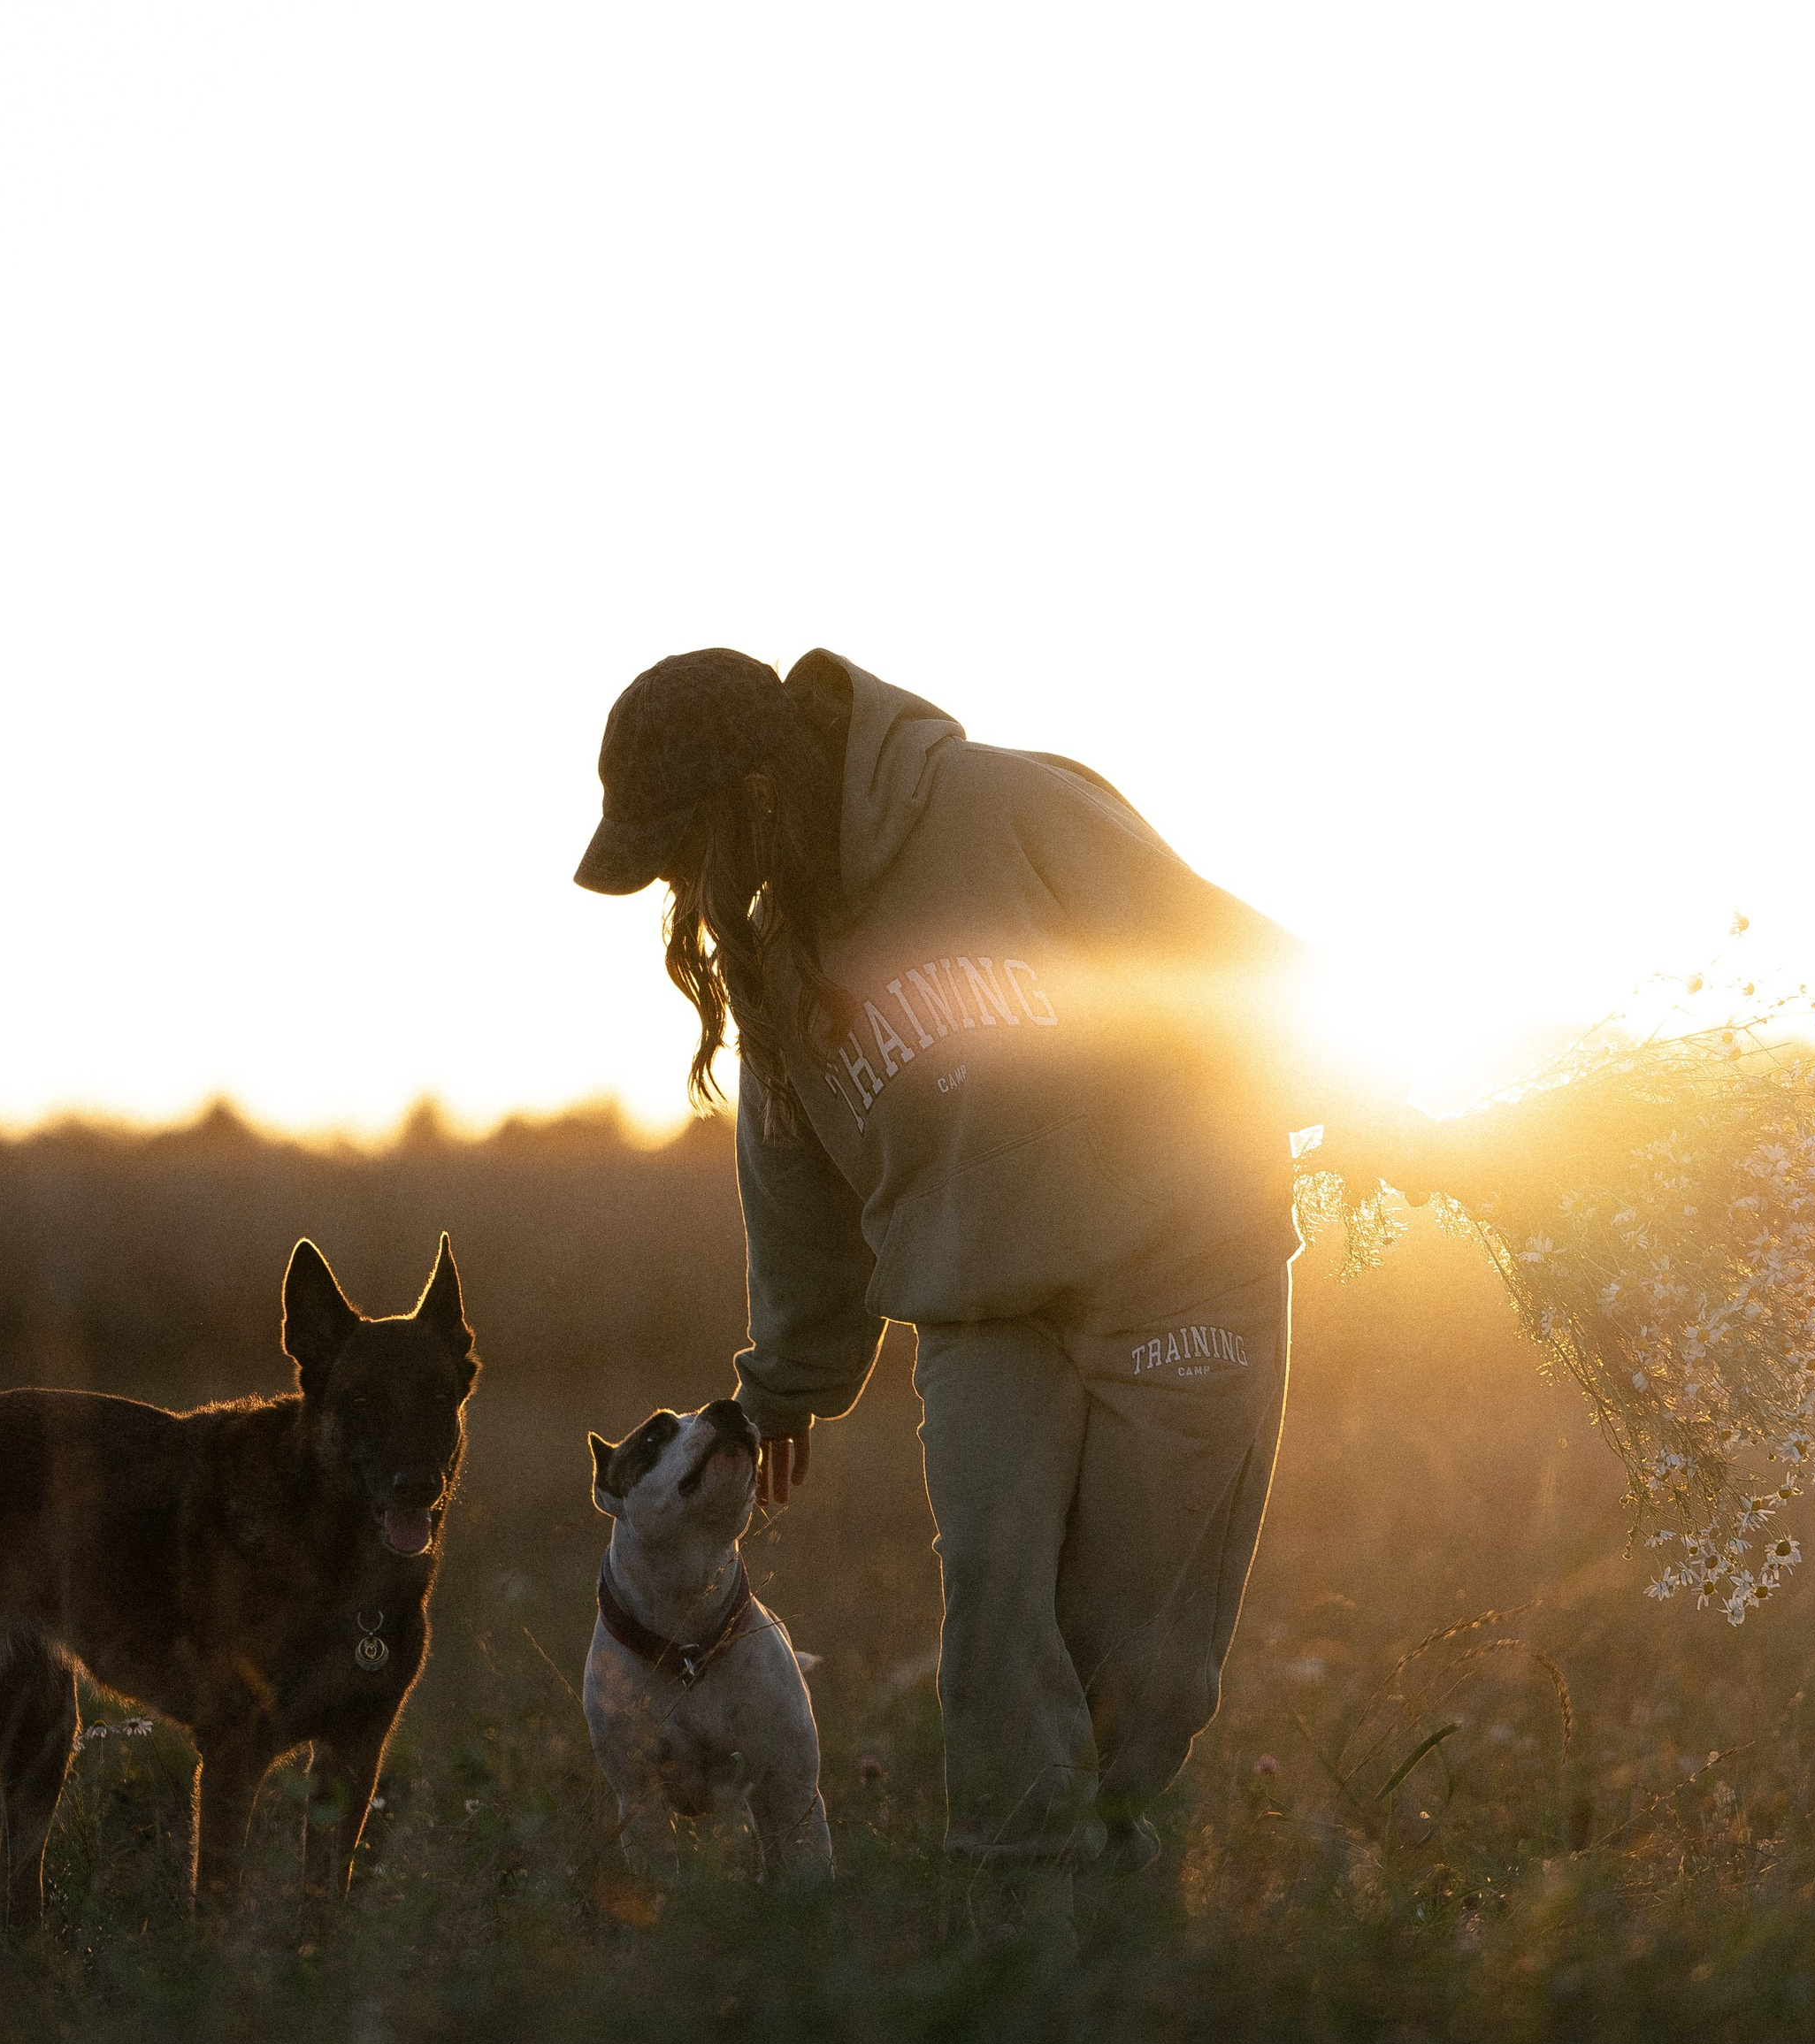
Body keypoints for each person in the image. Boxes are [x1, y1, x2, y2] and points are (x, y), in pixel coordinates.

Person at [573, 646, 1443, 1926]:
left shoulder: (1011, 809)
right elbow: (795, 1183)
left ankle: (1115, 1901)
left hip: (1185, 1266)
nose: (687, 895)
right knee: (994, 1591)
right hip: (981, 1306)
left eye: (688, 850)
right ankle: (1010, 1922)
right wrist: (786, 1383)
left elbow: (1217, 950)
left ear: (758, 793)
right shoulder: (776, 949)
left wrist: (1360, 1089)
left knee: (1138, 1647)